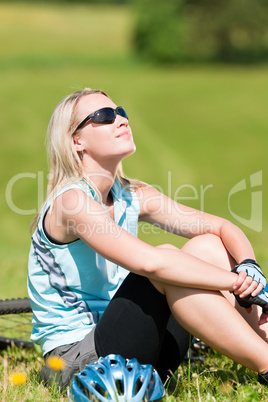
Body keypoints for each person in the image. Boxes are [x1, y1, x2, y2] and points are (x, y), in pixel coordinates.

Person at [28, 88, 268, 392]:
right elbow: (150, 262)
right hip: (78, 363)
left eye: (121, 112)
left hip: (139, 350)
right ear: (77, 141)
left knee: (206, 246)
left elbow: (222, 228)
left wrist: (249, 269)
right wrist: (234, 283)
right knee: (166, 261)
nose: (120, 120)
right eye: (104, 116)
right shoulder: (72, 202)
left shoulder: (132, 194)